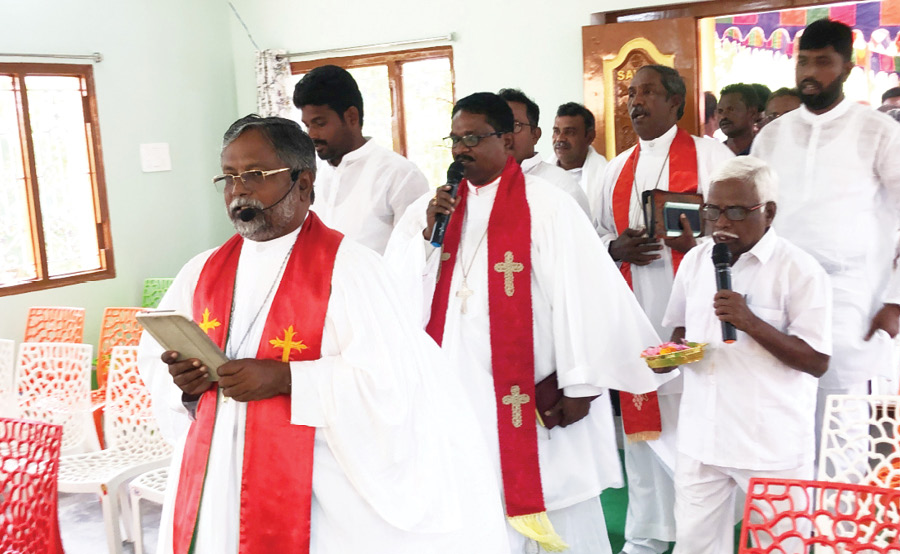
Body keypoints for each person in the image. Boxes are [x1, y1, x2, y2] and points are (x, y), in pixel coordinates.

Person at [140, 115, 510, 554]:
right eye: (230, 176)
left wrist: (286, 379)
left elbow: (388, 385)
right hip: (218, 473)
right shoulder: (201, 271)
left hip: (318, 490)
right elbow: (156, 365)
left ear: (303, 183)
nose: (239, 189)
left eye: (256, 175)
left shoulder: (352, 270)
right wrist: (185, 383)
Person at [386, 92, 678, 554]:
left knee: (552, 502)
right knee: (467, 499)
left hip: (527, 389)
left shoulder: (548, 205)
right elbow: (395, 291)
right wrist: (426, 240)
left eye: (474, 138)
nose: (462, 149)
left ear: (507, 141)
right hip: (455, 389)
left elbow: (584, 296)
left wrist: (581, 386)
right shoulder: (431, 208)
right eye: (455, 139)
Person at [751, 19, 900, 462]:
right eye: (803, 62)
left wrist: (897, 301)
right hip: (778, 300)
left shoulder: (880, 133)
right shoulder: (771, 136)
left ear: (846, 68)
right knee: (779, 423)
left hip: (852, 302)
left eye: (823, 62)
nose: (809, 73)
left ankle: (839, 525)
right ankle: (789, 525)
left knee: (840, 433)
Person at [592, 64, 734, 554]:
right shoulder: (613, 170)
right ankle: (648, 532)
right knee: (643, 428)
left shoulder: (711, 156)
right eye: (632, 93)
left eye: (649, 92)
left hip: (691, 323)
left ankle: (701, 532)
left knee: (693, 424)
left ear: (676, 102)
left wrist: (700, 243)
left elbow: (738, 228)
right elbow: (592, 239)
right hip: (634, 318)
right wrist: (616, 249)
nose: (637, 102)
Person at [661, 156, 832, 554]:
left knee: (781, 546)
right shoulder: (696, 260)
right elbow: (681, 330)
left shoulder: (800, 271)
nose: (721, 224)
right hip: (703, 434)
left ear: (768, 213)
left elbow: (817, 361)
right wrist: (671, 354)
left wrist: (750, 322)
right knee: (693, 545)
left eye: (736, 212)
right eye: (712, 211)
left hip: (769, 442)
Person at [293, 65, 428, 254]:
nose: (312, 135)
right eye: (307, 126)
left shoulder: (399, 174)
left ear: (351, 117)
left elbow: (415, 256)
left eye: (320, 123)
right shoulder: (311, 175)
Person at [499, 88, 591, 218]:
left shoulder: (561, 187)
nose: (505, 135)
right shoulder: (481, 184)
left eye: (515, 126)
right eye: (498, 126)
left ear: (535, 135)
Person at [552, 101, 608, 214]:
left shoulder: (607, 176)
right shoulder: (542, 176)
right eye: (556, 132)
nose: (560, 139)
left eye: (569, 132)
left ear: (590, 137)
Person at [716, 83, 761, 155]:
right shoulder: (715, 155)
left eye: (731, 109)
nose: (723, 116)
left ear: (753, 112)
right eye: (720, 111)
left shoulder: (764, 151)